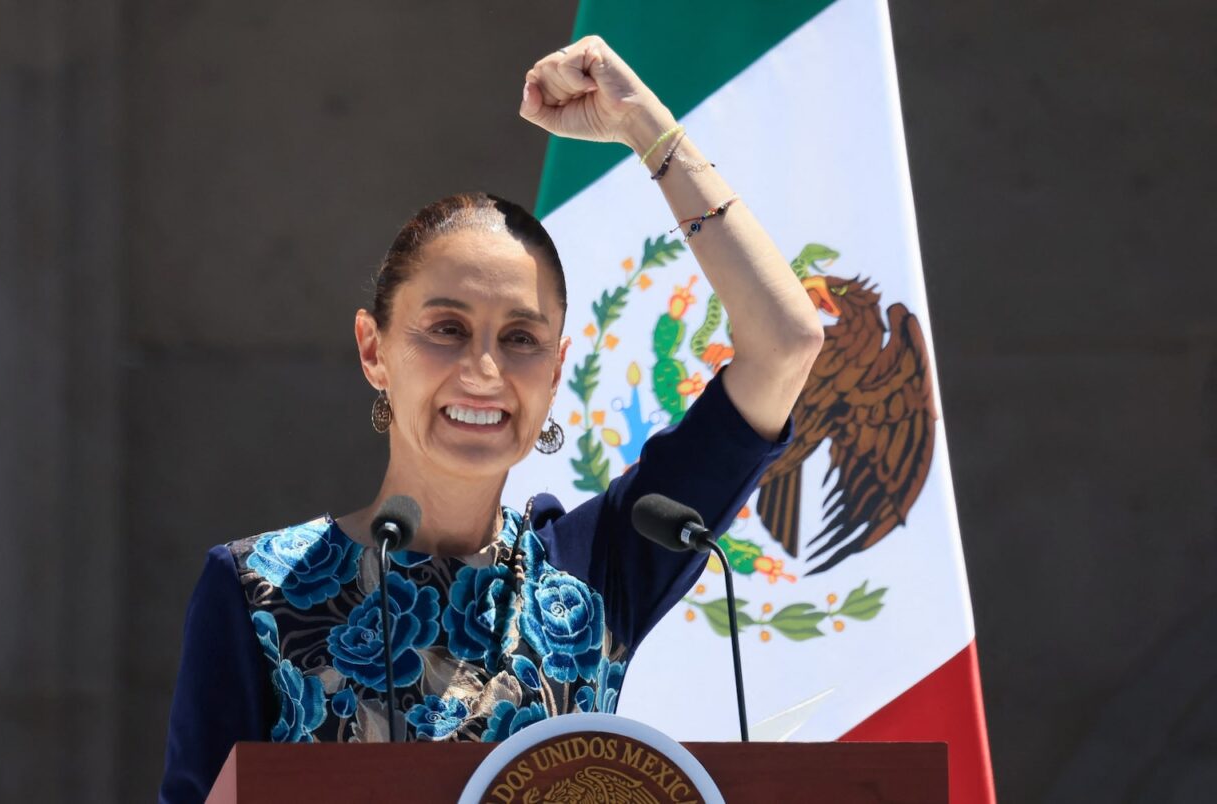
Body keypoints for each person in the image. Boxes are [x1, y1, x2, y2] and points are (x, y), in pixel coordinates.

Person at [158, 36, 823, 802]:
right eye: (446, 329)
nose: (484, 371)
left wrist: (648, 129)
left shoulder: (599, 567)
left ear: (557, 369)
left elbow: (787, 342)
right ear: (374, 350)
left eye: (520, 339)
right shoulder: (253, 592)